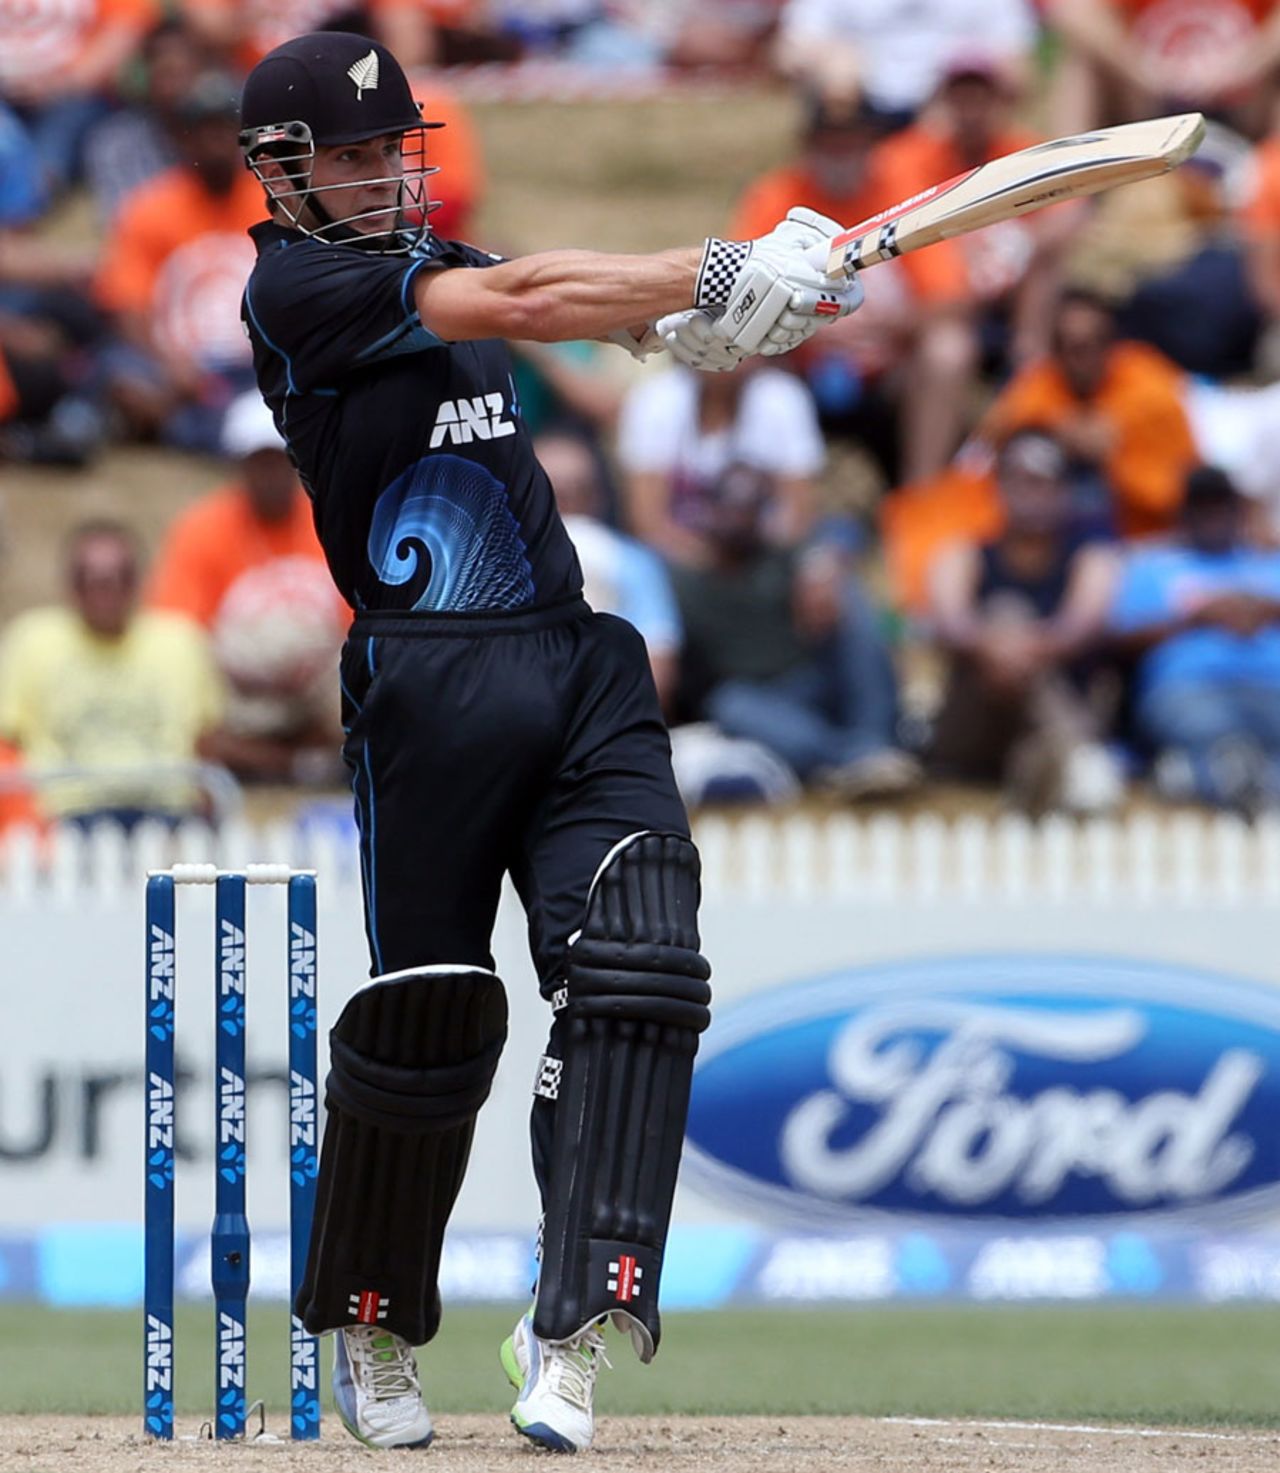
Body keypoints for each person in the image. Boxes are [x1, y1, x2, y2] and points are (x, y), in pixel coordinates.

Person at [235, 30, 861, 1453]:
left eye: (397, 147)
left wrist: (738, 320)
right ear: (283, 175)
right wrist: (716, 264)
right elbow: (528, 293)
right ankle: (372, 1317)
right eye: (349, 156)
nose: (386, 173)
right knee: (432, 1020)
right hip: (429, 683)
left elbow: (590, 329)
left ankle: (571, 1323)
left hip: (577, 662)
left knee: (640, 961)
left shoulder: (441, 263)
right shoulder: (301, 287)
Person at [729, 93, 977, 483]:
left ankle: (922, 494)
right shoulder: (774, 197)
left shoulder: (905, 195)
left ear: (870, 143)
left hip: (889, 363)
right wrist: (813, 326)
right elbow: (736, 289)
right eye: (829, 142)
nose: (840, 153)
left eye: (850, 141)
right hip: (797, 358)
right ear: (807, 145)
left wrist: (887, 325)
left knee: (949, 349)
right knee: (732, 351)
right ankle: (753, 492)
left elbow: (952, 297)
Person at [668, 461, 920, 799]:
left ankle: (874, 740)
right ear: (707, 508)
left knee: (845, 594)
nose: (738, 515)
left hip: (813, 682)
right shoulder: (683, 581)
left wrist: (825, 563)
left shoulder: (784, 558)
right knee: (730, 705)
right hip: (755, 703)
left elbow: (842, 529)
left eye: (750, 504)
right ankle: (856, 759)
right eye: (729, 503)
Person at [147, 390, 349, 785]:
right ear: (239, 466)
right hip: (240, 688)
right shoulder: (202, 528)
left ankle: (308, 761)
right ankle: (291, 766)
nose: (271, 474)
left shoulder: (330, 520)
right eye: (259, 463)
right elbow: (177, 631)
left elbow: (354, 622)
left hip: (316, 683)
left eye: (279, 461)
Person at [927, 430, 1124, 813]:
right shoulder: (962, 553)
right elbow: (950, 625)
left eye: (1043, 483)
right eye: (1019, 481)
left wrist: (1012, 648)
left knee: (1008, 617)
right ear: (998, 487)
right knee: (1005, 610)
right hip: (974, 728)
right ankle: (1077, 760)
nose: (1031, 494)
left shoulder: (1093, 559)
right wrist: (999, 646)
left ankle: (1053, 765)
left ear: (1066, 491)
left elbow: (1079, 629)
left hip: (1043, 726)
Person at [0, 520, 223, 828]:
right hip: (63, 818)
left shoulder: (181, 641)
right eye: (88, 578)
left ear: (138, 581)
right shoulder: (32, 641)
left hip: (168, 815)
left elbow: (205, 743)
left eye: (120, 576)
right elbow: (8, 744)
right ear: (70, 584)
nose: (104, 589)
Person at [95, 71, 262, 451]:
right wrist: (169, 361)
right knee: (117, 369)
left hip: (256, 362)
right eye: (204, 131)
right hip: (174, 359)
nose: (215, 142)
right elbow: (128, 309)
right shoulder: (149, 207)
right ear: (184, 140)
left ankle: (191, 423)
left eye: (224, 130)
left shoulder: (276, 205)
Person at [1111, 464, 1280, 811]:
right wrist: (1198, 618)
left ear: (1238, 511)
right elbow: (1121, 640)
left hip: (1270, 688)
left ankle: (1198, 777)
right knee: (1214, 731)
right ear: (1184, 513)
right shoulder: (1153, 565)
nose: (1213, 515)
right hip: (1190, 691)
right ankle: (1231, 776)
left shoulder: (1269, 564)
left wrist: (1268, 611)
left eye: (1221, 506)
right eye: (1202, 507)